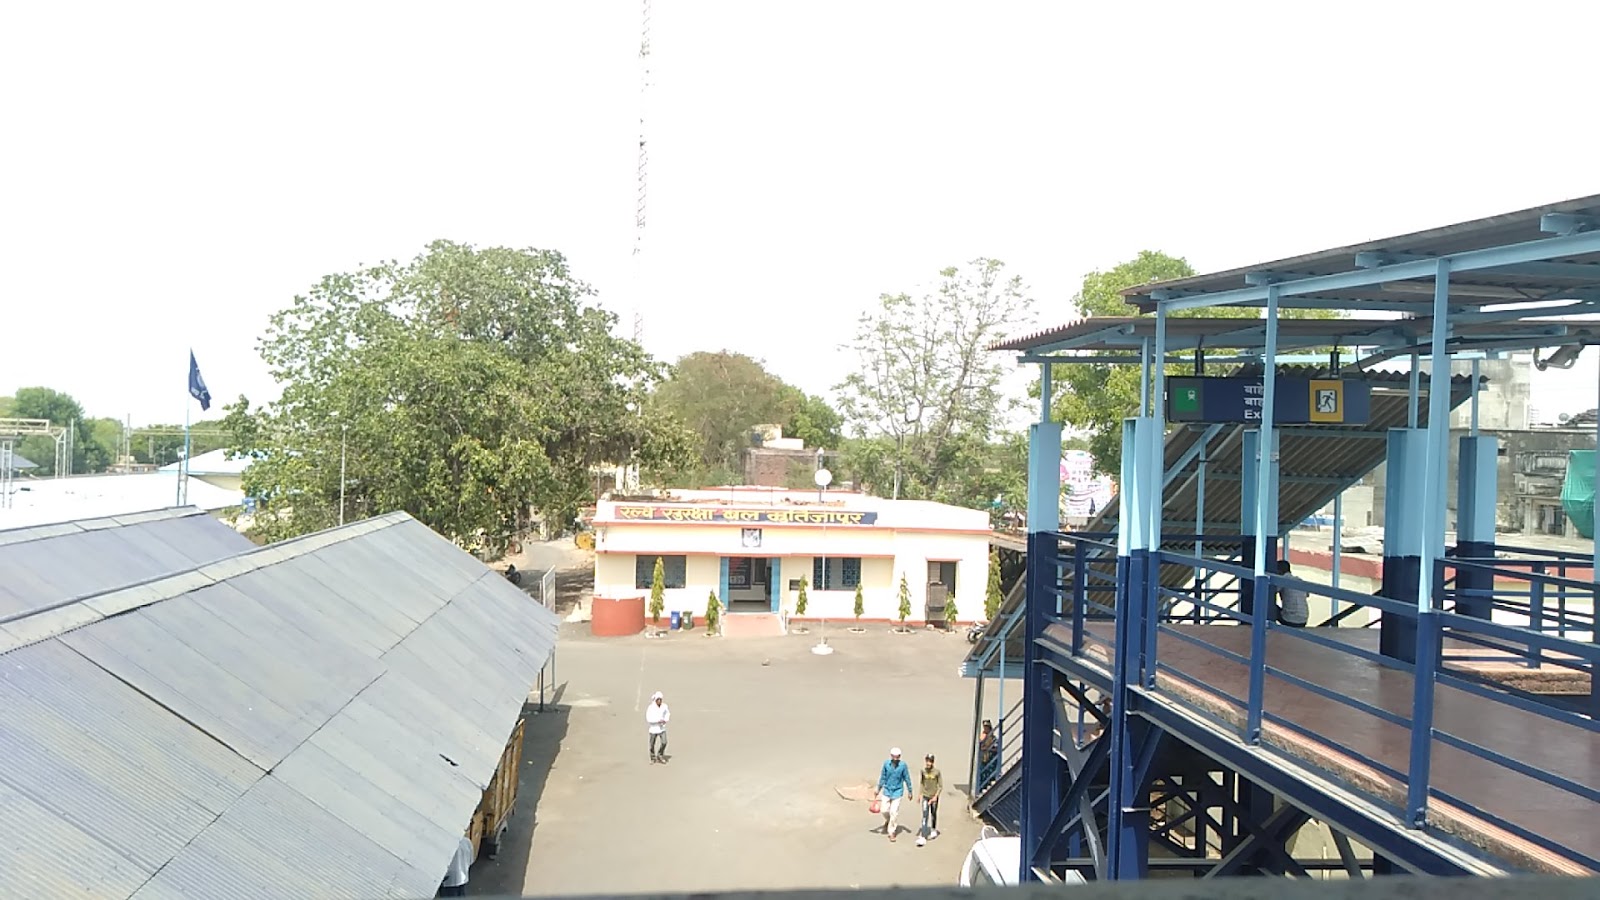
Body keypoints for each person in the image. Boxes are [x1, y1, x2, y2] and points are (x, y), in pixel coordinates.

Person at [876, 747, 913, 842]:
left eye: (897, 757)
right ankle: (888, 820)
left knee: (894, 812)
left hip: (897, 791)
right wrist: (878, 789)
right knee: (884, 810)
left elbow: (907, 778)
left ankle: (891, 832)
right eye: (894, 757)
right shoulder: (886, 764)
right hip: (887, 790)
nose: (895, 759)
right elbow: (883, 777)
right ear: (891, 756)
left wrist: (910, 791)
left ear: (899, 757)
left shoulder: (903, 766)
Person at [916, 753, 942, 846]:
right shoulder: (923, 771)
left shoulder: (937, 772)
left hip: (933, 796)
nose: (928, 763)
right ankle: (923, 835)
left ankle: (933, 830)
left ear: (932, 762)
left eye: (930, 761)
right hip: (925, 796)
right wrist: (920, 794)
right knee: (925, 814)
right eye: (927, 761)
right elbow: (922, 783)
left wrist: (935, 796)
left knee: (933, 813)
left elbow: (940, 786)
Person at [1276, 559, 1309, 628]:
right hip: (1304, 620)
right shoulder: (1299, 580)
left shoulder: (1282, 579)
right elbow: (1307, 595)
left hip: (1290, 620)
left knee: (1269, 606)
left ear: (1279, 571)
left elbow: (1271, 592)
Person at [646, 691, 671, 763]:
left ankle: (660, 755)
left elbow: (667, 714)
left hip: (662, 728)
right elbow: (648, 718)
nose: (659, 701)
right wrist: (657, 721)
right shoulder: (651, 707)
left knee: (664, 742)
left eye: (660, 699)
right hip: (653, 729)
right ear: (655, 700)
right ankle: (653, 757)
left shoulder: (664, 706)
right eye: (658, 699)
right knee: (652, 744)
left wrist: (665, 720)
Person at [977, 721, 998, 789]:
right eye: (984, 727)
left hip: (990, 758)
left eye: (987, 727)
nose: (985, 729)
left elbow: (996, 748)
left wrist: (988, 749)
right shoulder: (982, 737)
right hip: (983, 759)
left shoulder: (993, 738)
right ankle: (981, 787)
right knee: (982, 774)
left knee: (990, 774)